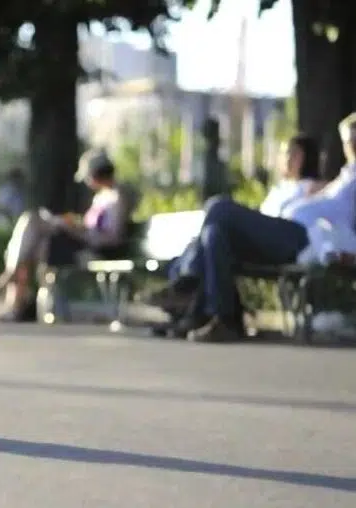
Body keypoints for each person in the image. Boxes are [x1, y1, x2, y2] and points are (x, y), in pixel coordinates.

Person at [147, 121, 356, 342]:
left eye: (294, 154)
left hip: (296, 238)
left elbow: (335, 209)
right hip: (270, 240)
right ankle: (223, 319)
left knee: (218, 206)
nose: (288, 159)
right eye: (285, 153)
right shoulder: (283, 189)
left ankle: (187, 285)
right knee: (214, 235)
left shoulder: (319, 185)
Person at [0, 149, 128, 324]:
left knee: (33, 223)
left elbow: (111, 237)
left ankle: (14, 294)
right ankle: (14, 295)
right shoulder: (102, 197)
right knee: (35, 234)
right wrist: (75, 225)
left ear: (95, 174)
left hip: (94, 249)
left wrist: (78, 229)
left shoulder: (116, 198)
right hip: (81, 242)